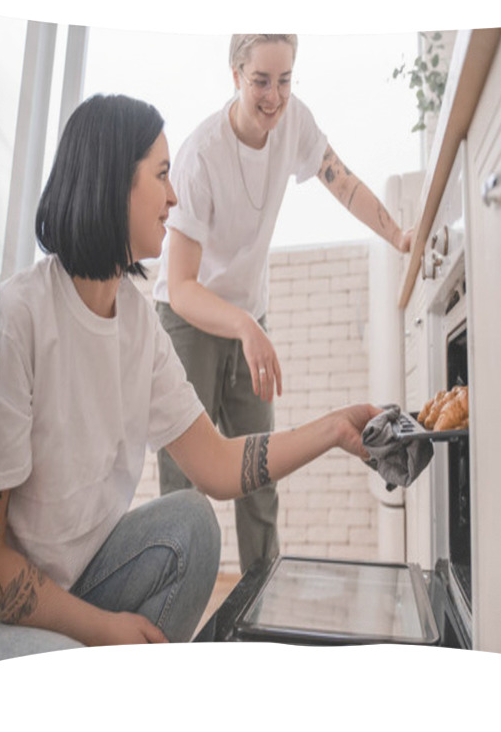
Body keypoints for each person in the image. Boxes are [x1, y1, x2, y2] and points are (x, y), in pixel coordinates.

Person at [0, 93, 380, 668]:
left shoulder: (138, 323)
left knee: (192, 524)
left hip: (79, 583)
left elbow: (218, 465)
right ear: (112, 184)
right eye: (160, 175)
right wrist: (103, 630)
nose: (175, 196)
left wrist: (332, 430)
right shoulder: (17, 320)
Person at [154, 34, 412, 573]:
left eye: (285, 80)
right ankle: (167, 604)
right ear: (235, 75)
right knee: (184, 486)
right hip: (189, 319)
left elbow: (343, 183)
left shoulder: (295, 123)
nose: (274, 97)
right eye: (261, 82)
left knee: (259, 476)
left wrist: (399, 236)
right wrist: (245, 325)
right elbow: (180, 287)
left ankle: (261, 604)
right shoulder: (201, 156)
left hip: (249, 318)